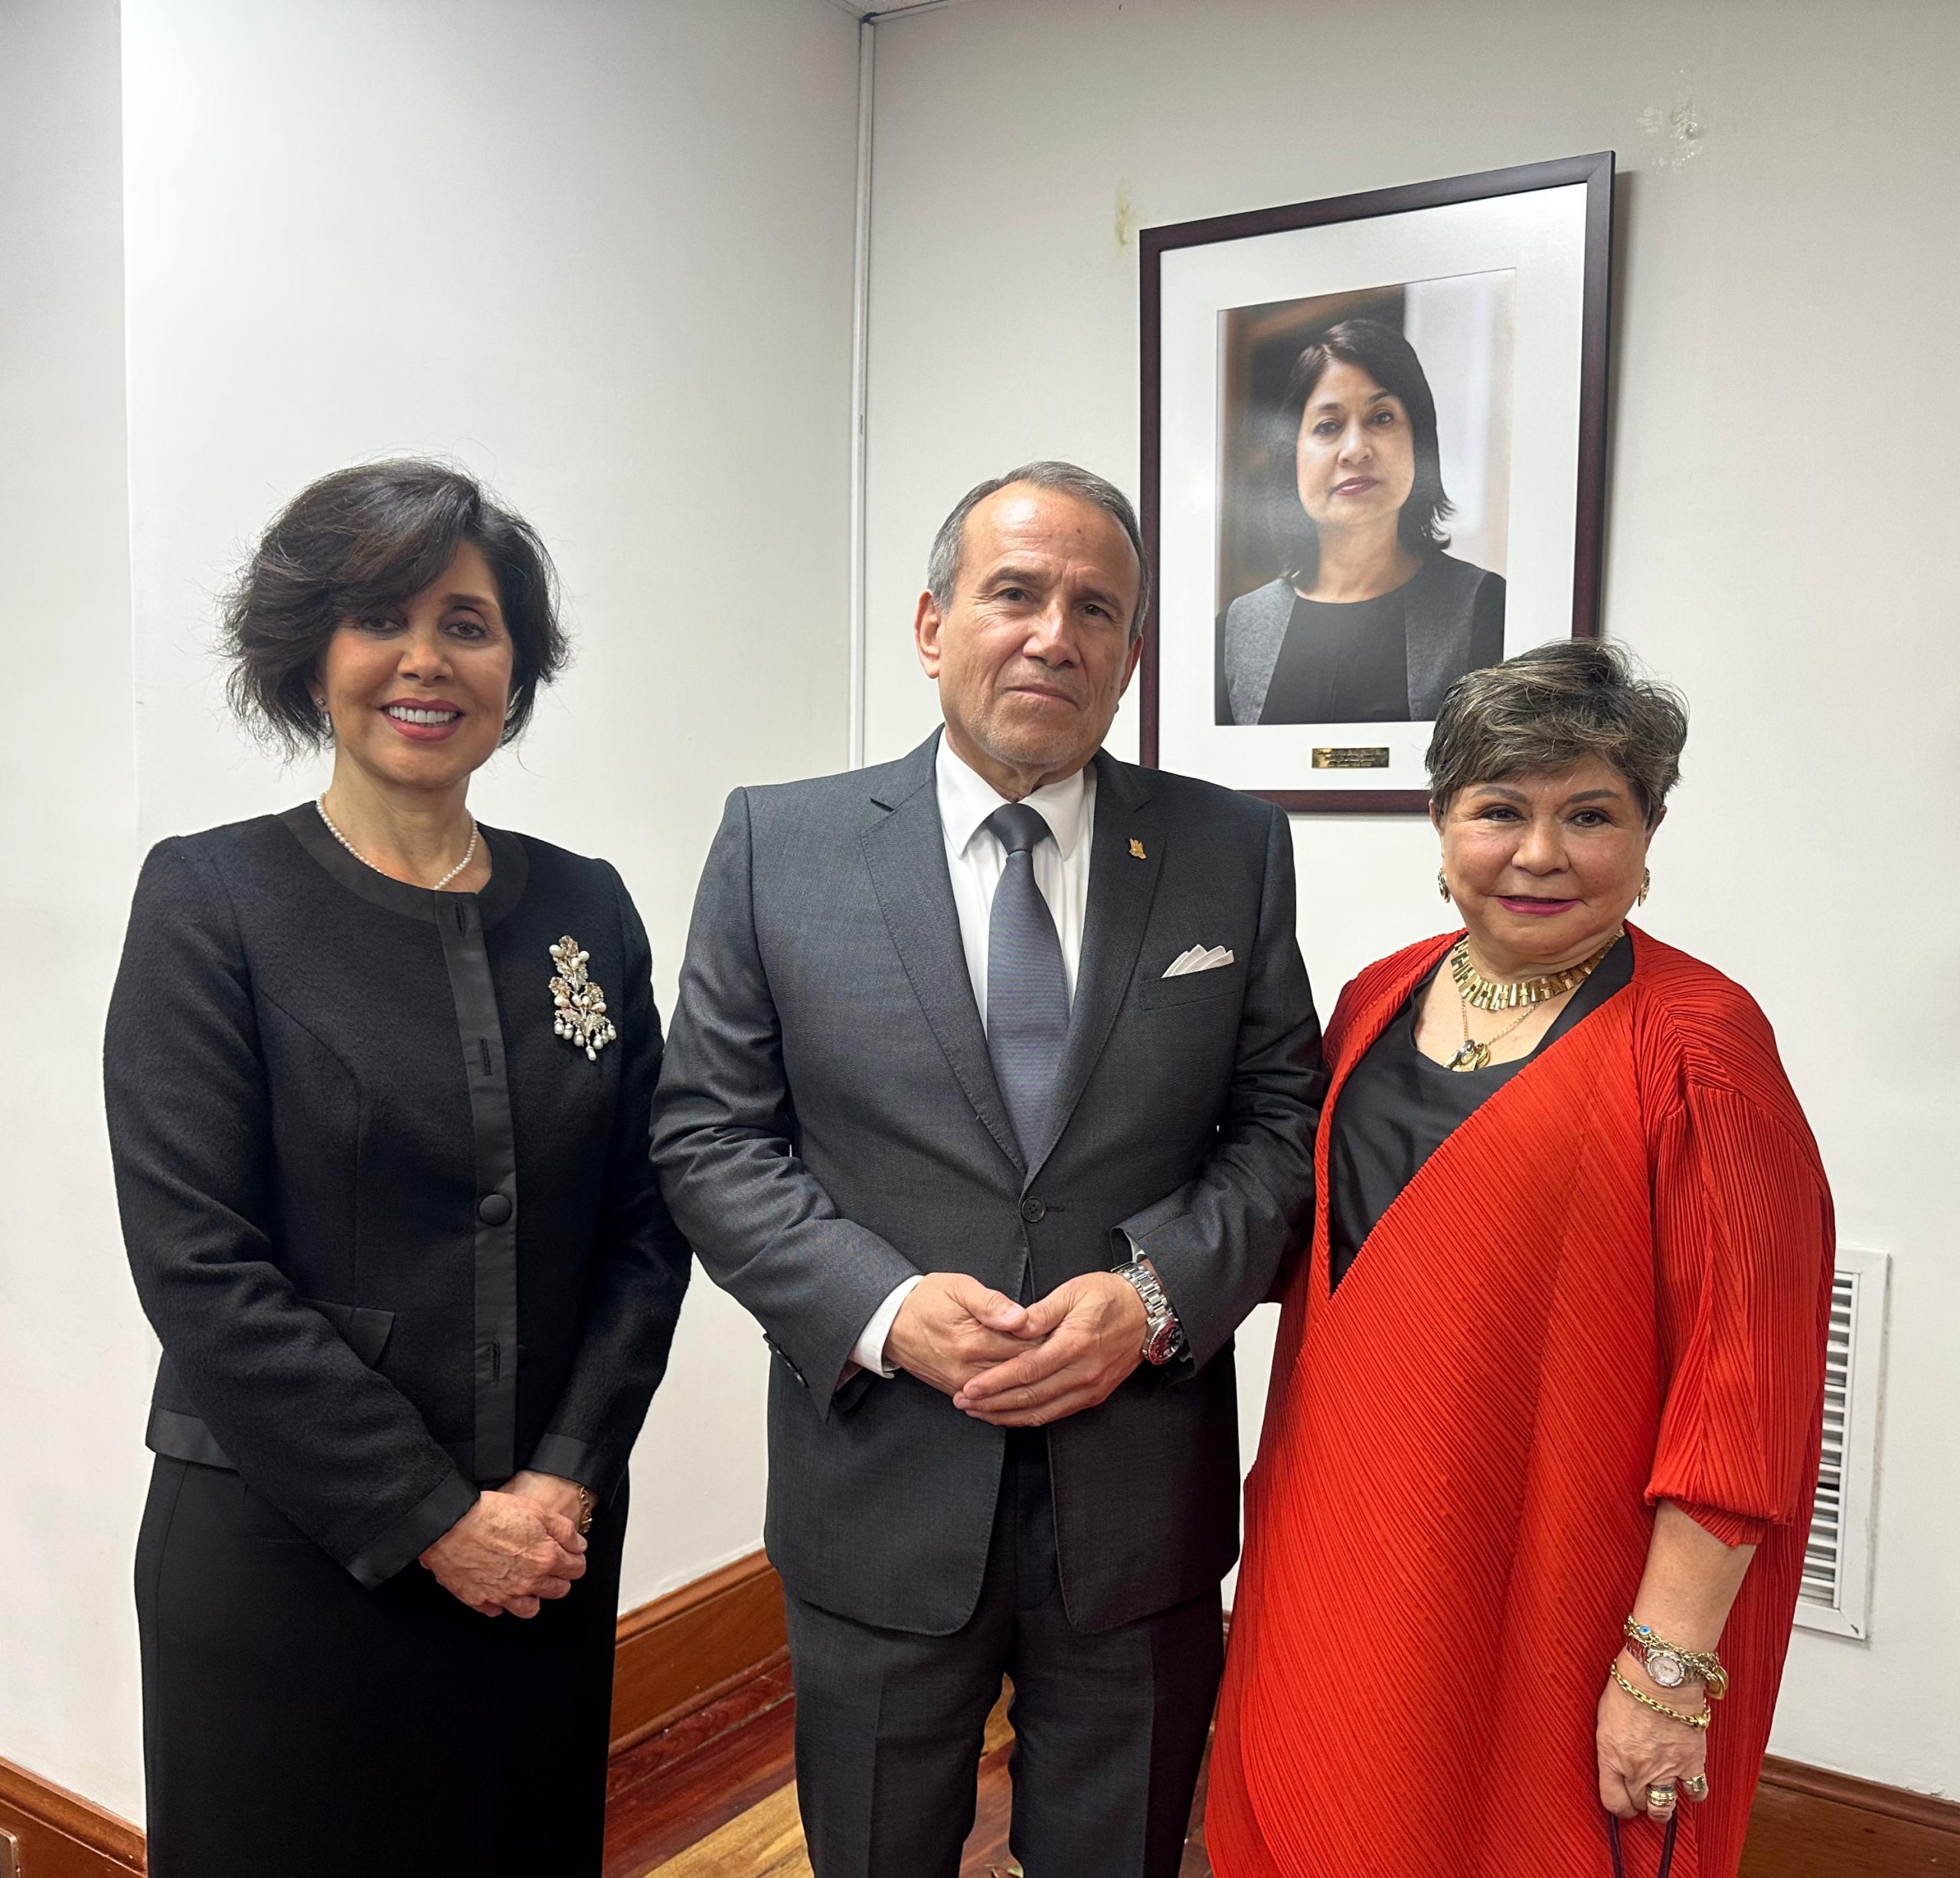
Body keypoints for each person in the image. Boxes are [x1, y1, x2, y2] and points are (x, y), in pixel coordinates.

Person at [653, 460, 1324, 1878]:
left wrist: (1150, 1296)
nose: (1053, 636)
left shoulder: (1232, 848)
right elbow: (708, 1134)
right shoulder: (780, 843)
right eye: (1014, 593)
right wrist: (885, 1307)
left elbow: (1281, 1124)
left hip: (1136, 1487)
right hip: (878, 1478)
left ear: (1130, 655)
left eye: (1097, 609)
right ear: (931, 624)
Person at [104, 460, 691, 1877]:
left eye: (468, 624)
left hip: (543, 1547)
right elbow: (197, 1261)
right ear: (312, 654)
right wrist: (434, 1517)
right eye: (381, 618)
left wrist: (563, 1478)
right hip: (286, 1549)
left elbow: (645, 1220)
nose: (426, 659)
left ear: (516, 666)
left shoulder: (587, 903)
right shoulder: (211, 898)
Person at [1207, 640, 1834, 1878]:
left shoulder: (1701, 1048)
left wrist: (1665, 1672)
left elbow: (1746, 1394)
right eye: (1500, 809)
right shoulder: (1373, 997)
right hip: (1332, 1540)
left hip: (1552, 1580)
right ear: (1443, 825)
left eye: (1590, 814)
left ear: (1648, 836)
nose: (1540, 853)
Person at [1217, 317, 1505, 726]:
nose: (1355, 449)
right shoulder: (1238, 628)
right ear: (1292, 455)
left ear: (1419, 440)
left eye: (1381, 418)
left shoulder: (1484, 607)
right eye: (1328, 426)